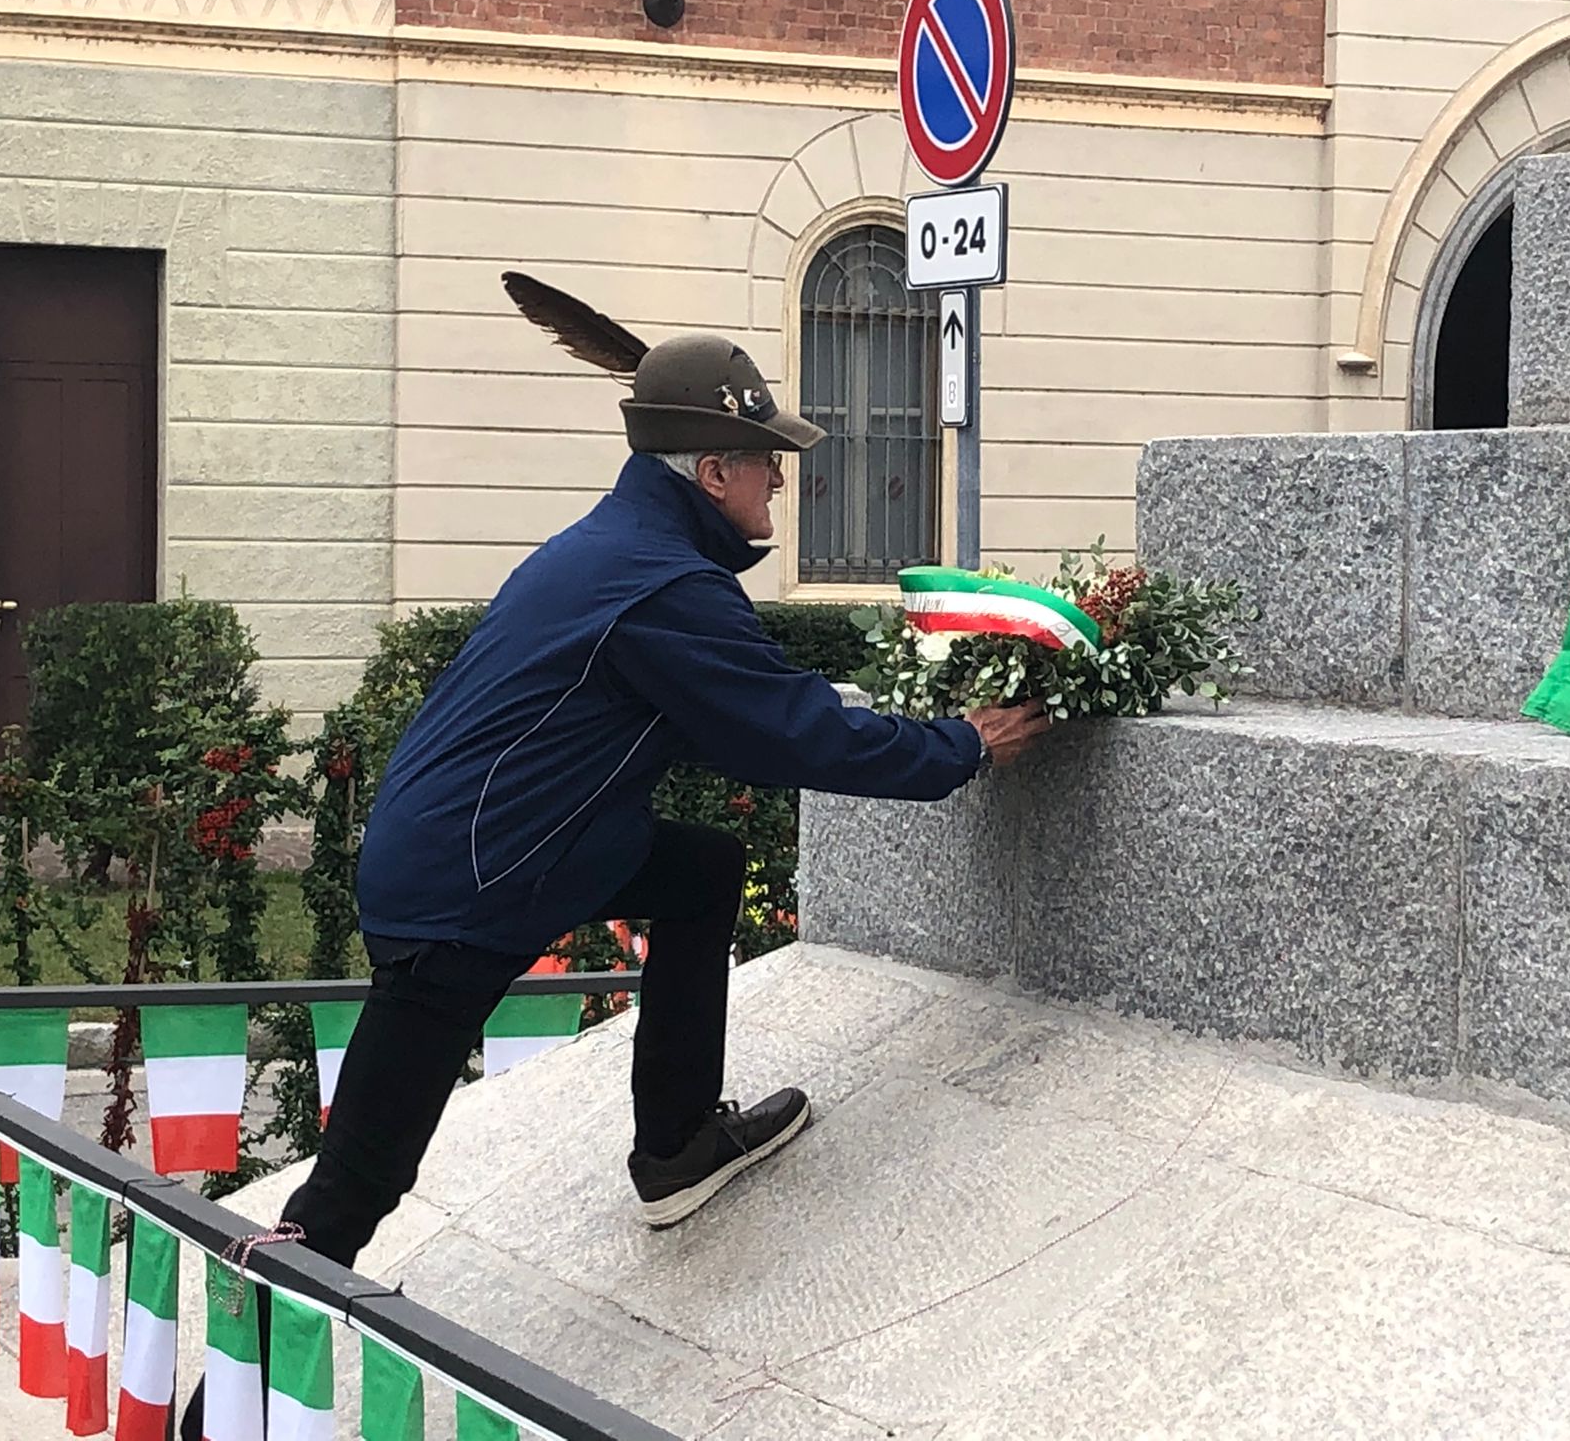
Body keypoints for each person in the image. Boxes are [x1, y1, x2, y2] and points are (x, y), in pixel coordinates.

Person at [179, 330, 1048, 1440]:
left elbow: (740, 699)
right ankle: (209, 1425)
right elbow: (786, 736)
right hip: (469, 887)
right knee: (354, 1192)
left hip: (508, 843)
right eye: (766, 458)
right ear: (712, 471)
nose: (783, 476)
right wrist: (955, 746)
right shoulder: (661, 585)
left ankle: (676, 1144)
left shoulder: (621, 552)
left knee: (700, 873)